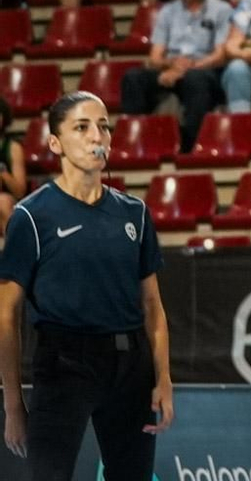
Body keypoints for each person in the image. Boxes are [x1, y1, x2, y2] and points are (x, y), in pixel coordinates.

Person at [0, 92, 171, 481]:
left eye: (104, 126)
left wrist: (163, 378)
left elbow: (153, 307)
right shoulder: (31, 216)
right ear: (55, 143)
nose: (97, 136)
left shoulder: (135, 213)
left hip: (131, 366)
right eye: (82, 127)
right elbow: (6, 316)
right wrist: (13, 403)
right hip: (64, 364)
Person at [118, 0, 231, 153]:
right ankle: (134, 143)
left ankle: (189, 148)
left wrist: (187, 69)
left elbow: (221, 54)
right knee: (133, 78)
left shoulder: (221, 10)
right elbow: (155, 57)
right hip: (172, 67)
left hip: (205, 69)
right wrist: (170, 67)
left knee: (196, 80)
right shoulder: (167, 12)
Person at [0, 100, 22, 233]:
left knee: (3, 201)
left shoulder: (13, 147)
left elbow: (19, 190)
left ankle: (14, 250)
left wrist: (3, 173)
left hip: (7, 198)